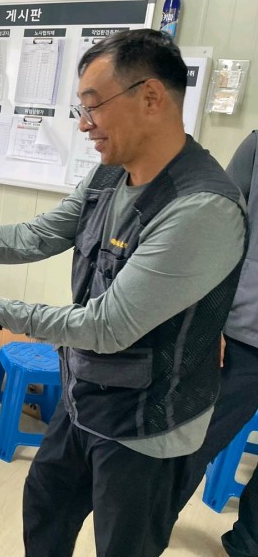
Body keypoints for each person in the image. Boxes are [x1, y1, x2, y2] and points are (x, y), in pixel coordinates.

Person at [0, 29, 247, 556]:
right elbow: (36, 236)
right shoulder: (108, 178)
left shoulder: (202, 209)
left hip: (147, 427)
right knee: (45, 512)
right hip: (85, 397)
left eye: (93, 106)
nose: (83, 124)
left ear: (151, 98)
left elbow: (108, 324)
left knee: (124, 546)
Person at [169, 130, 258, 556]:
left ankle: (248, 542)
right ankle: (143, 526)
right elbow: (216, 227)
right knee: (195, 440)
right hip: (245, 332)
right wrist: (210, 317)